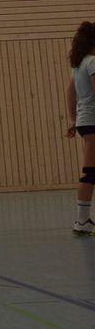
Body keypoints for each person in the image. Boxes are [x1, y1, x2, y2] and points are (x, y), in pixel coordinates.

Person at [65, 21, 95, 236]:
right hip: (93, 123)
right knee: (90, 172)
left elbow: (70, 92)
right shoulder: (92, 61)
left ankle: (83, 220)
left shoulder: (79, 65)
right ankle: (82, 222)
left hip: (86, 122)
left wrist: (74, 119)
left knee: (91, 171)